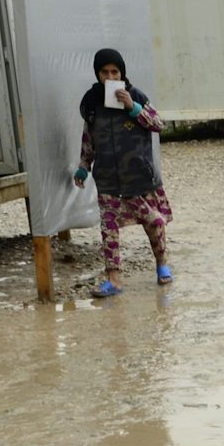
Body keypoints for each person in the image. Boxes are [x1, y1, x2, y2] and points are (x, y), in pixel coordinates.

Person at [73, 48, 173, 298]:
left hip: (139, 176)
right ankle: (114, 279)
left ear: (122, 72)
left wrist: (133, 107)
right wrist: (84, 167)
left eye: (114, 71)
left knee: (154, 222)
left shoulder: (135, 96)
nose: (110, 77)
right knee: (109, 229)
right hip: (107, 179)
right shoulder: (92, 103)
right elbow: (89, 138)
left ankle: (162, 263)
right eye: (104, 72)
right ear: (97, 74)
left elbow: (158, 124)